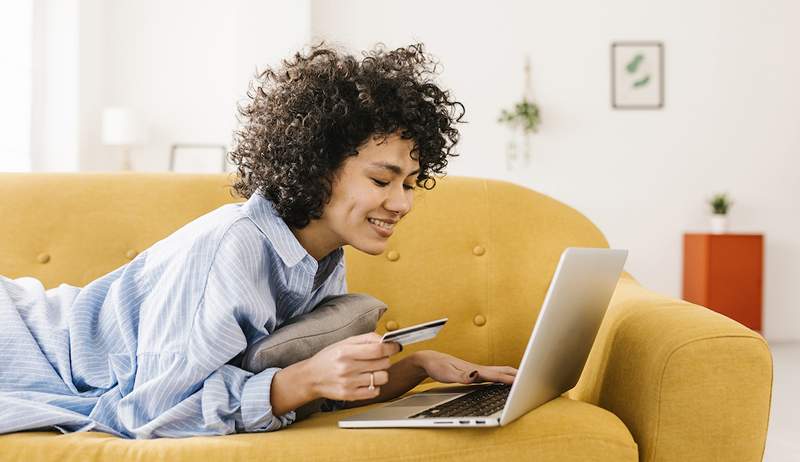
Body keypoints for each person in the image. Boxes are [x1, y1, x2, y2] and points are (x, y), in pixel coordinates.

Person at [0, 42, 517, 439]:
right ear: (317, 168)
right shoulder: (236, 246)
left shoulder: (319, 255)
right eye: (382, 181)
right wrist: (302, 380)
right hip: (22, 342)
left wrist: (418, 368)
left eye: (408, 183)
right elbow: (146, 418)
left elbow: (297, 388)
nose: (402, 203)